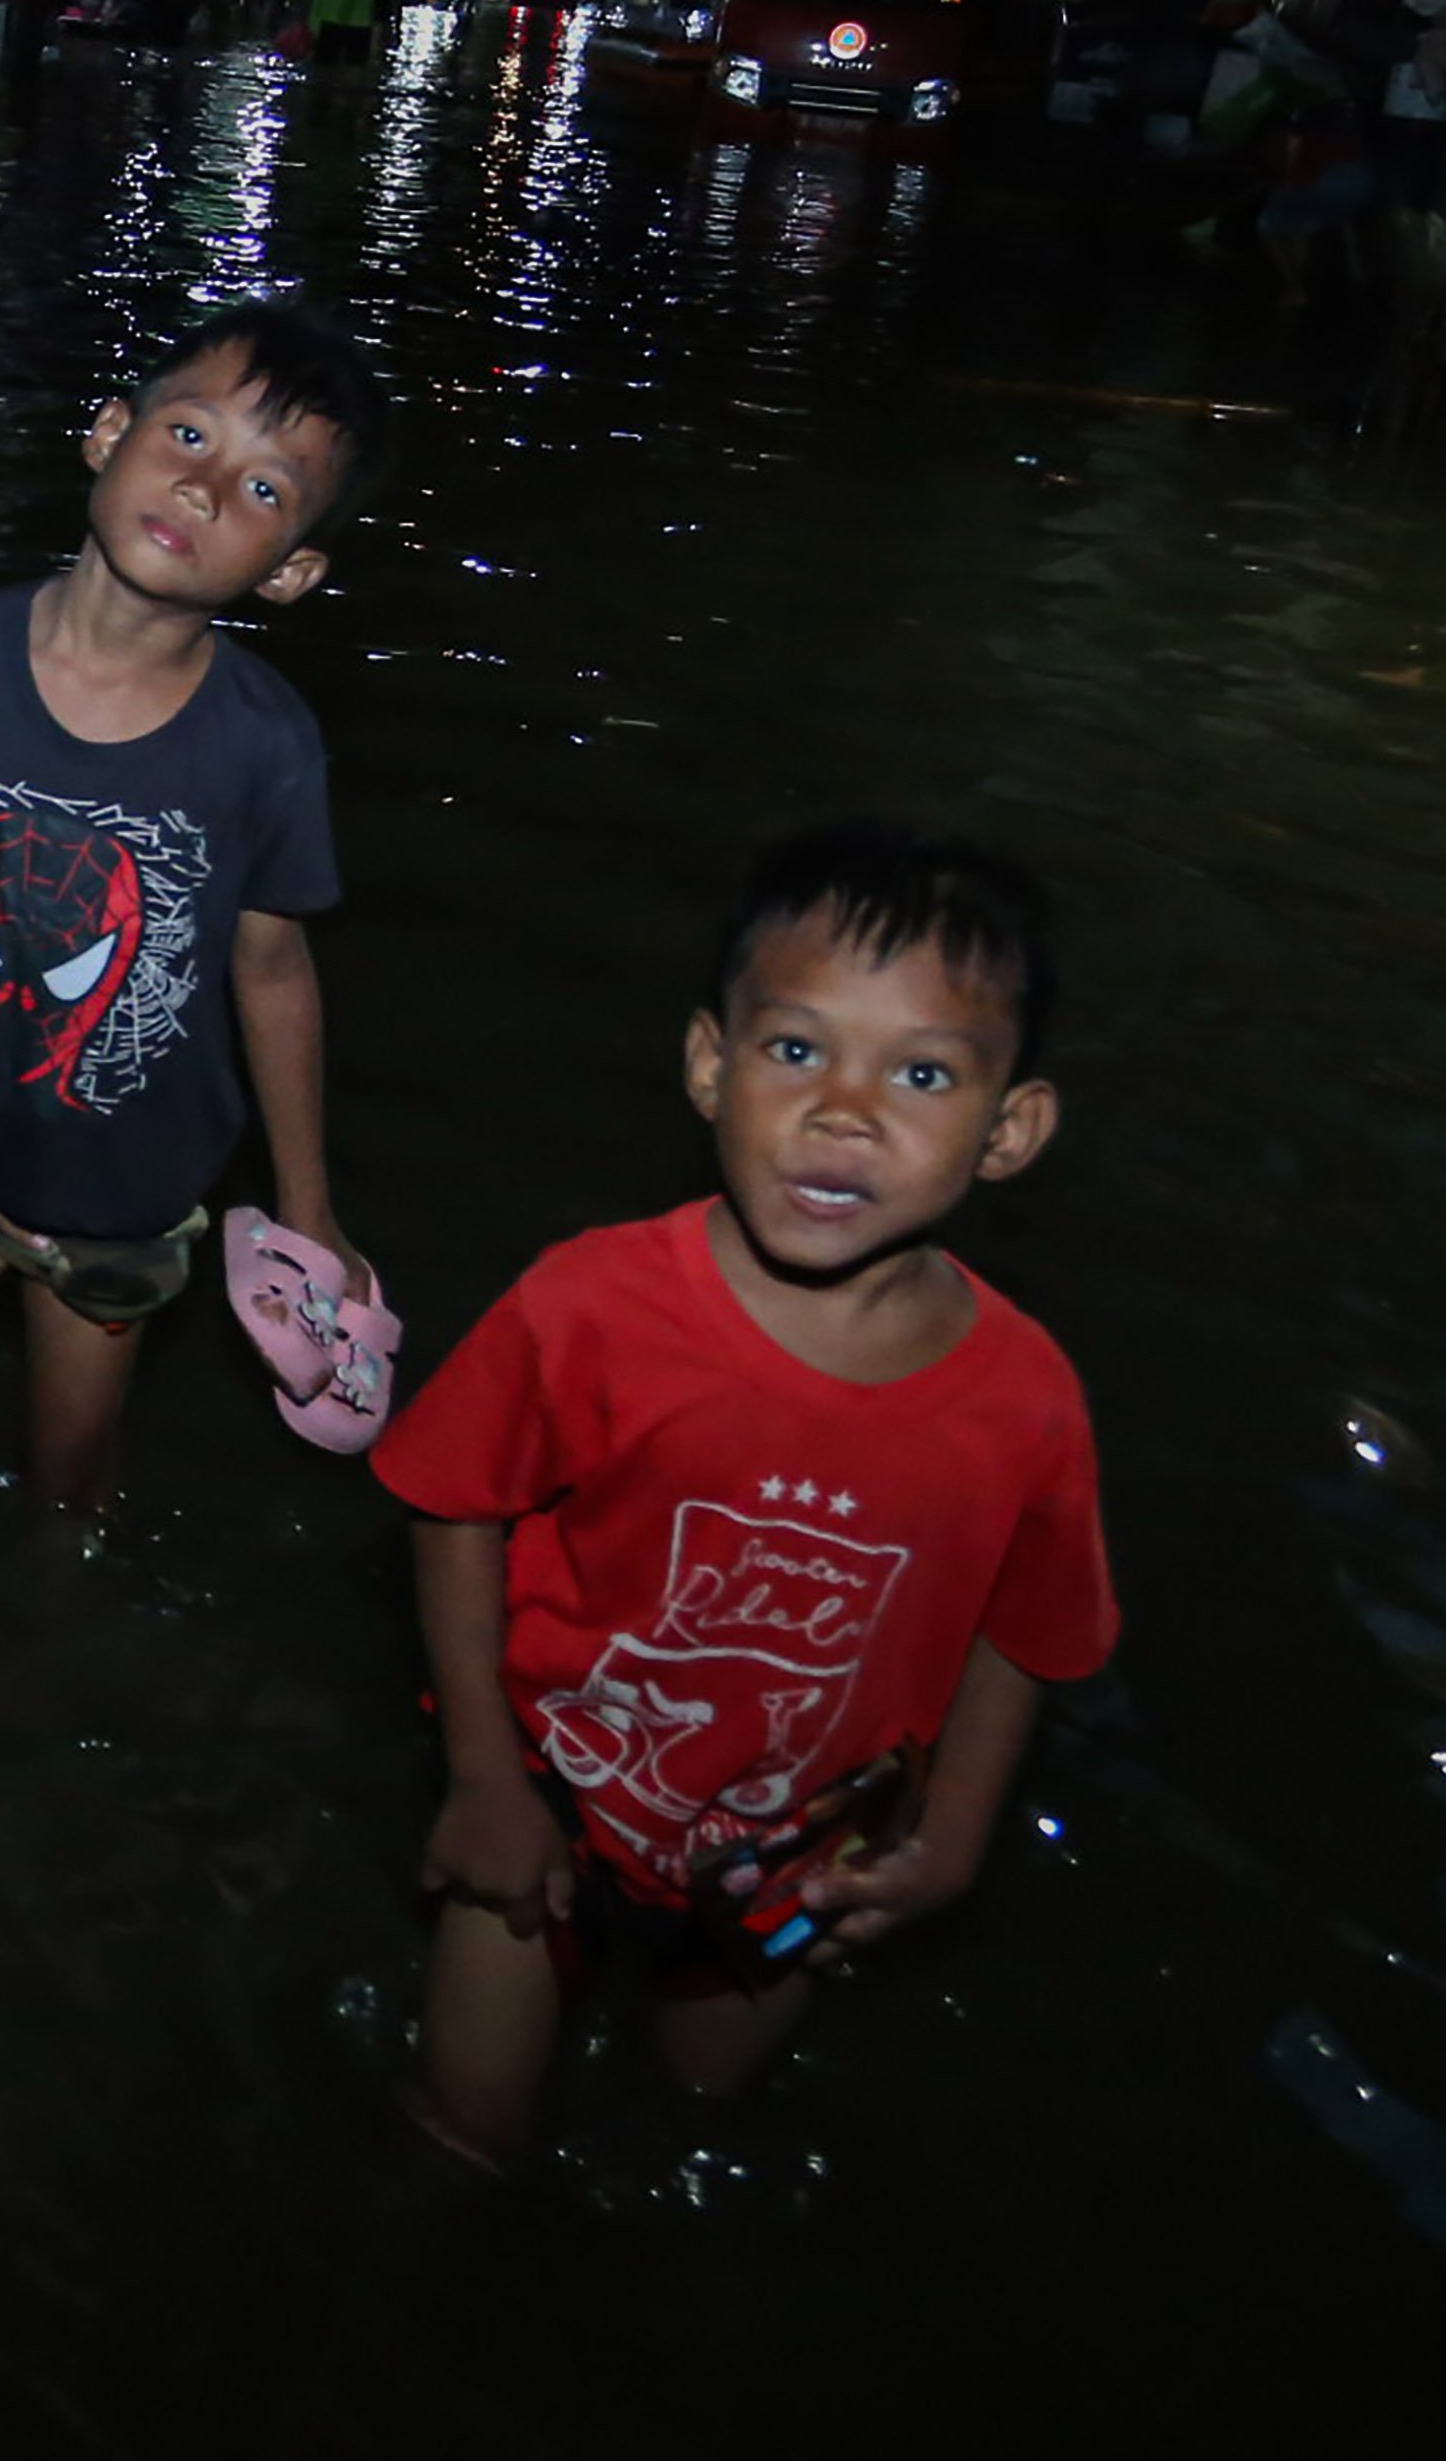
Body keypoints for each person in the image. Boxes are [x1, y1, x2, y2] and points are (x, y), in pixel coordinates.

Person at [373, 823, 1118, 2165]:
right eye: (793, 1049)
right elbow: (454, 1503)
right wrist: (484, 1775)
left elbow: (1030, 1628)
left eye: (924, 1071)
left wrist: (951, 1841)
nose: (844, 1108)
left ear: (1009, 1129)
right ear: (709, 1066)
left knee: (698, 2128)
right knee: (462, 2131)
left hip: (798, 1859)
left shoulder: (1028, 1400)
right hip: (554, 1797)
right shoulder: (589, 1304)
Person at [0, 301, 392, 1510]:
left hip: (126, 1181)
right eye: (186, 435)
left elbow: (271, 971)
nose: (207, 489)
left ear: (289, 573)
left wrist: (308, 1207)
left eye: (266, 490)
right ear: (107, 433)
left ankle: (52, 1649)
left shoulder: (264, 746)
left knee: (73, 1480)